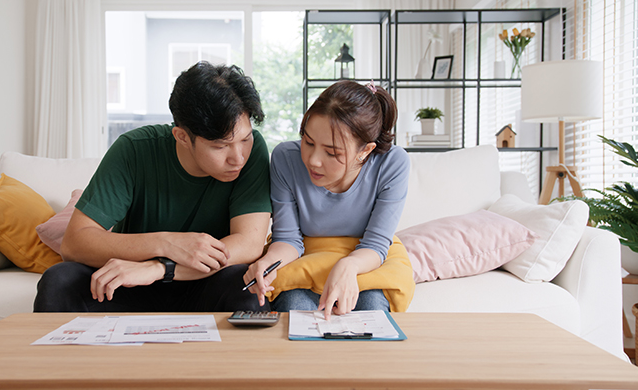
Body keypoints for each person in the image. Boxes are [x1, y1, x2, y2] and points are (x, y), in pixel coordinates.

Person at [34, 61, 272, 313]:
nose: (238, 157)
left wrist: (161, 268)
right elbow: (75, 243)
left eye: (244, 139)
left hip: (203, 283)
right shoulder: (134, 149)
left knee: (246, 290)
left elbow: (248, 243)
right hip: (129, 283)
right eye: (220, 146)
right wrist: (166, 243)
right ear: (181, 137)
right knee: (59, 280)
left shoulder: (253, 150)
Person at [243, 80, 415, 319]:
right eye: (308, 141)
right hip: (306, 257)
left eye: (332, 153)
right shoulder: (285, 158)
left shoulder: (393, 163)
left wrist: (348, 266)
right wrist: (268, 262)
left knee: (372, 309)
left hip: (367, 258)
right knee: (294, 309)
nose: (313, 160)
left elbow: (376, 244)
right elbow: (289, 239)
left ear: (365, 151)